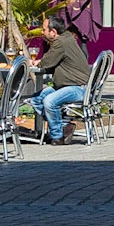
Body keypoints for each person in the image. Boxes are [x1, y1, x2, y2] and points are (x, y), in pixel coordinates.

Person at [28, 15, 91, 146]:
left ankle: (57, 136)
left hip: (78, 87)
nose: (42, 32)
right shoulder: (67, 37)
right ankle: (64, 126)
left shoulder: (60, 42)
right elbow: (53, 61)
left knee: (49, 101)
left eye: (44, 29)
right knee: (36, 99)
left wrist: (36, 63)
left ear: (53, 32)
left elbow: (47, 62)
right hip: (67, 85)